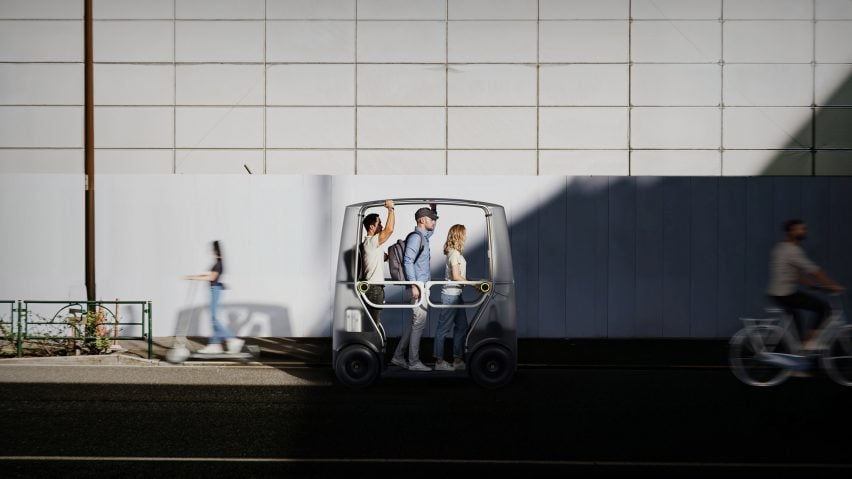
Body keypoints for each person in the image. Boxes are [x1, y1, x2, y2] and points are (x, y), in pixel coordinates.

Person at [767, 219, 844, 351]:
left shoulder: (781, 247)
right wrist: (833, 285)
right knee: (823, 307)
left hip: (779, 293)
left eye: (804, 229)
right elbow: (815, 271)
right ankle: (808, 344)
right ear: (790, 232)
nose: (803, 231)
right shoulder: (792, 250)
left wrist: (810, 284)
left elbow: (791, 272)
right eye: (799, 229)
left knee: (798, 321)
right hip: (784, 294)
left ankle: (801, 351)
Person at [391, 205, 438, 372]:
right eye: (431, 218)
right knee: (418, 324)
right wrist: (414, 285)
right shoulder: (416, 238)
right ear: (421, 220)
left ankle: (398, 356)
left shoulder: (424, 236)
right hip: (419, 287)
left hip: (422, 286)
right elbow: (408, 261)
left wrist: (434, 208)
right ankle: (413, 362)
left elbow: (432, 230)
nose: (434, 221)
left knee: (414, 323)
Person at [185, 240, 244, 355]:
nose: (211, 252)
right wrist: (194, 276)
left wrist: (194, 278)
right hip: (215, 290)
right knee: (214, 319)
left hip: (215, 290)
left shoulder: (218, 263)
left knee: (215, 319)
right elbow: (209, 275)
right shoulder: (218, 262)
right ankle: (215, 344)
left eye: (213, 250)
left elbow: (212, 277)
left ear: (216, 250)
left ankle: (233, 339)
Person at [433, 224, 468, 372]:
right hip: (450, 296)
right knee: (443, 329)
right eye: (464, 234)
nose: (466, 237)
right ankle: (439, 362)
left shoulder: (456, 253)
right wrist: (474, 285)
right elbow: (455, 276)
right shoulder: (453, 253)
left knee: (462, 326)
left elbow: (460, 276)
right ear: (459, 235)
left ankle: (457, 359)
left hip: (457, 295)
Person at [361, 200, 395, 325]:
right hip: (373, 289)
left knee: (375, 322)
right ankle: (370, 344)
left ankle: (374, 343)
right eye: (379, 224)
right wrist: (391, 209)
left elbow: (385, 257)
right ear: (371, 227)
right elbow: (389, 229)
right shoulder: (371, 243)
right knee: (372, 324)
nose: (381, 227)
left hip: (377, 288)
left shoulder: (374, 245)